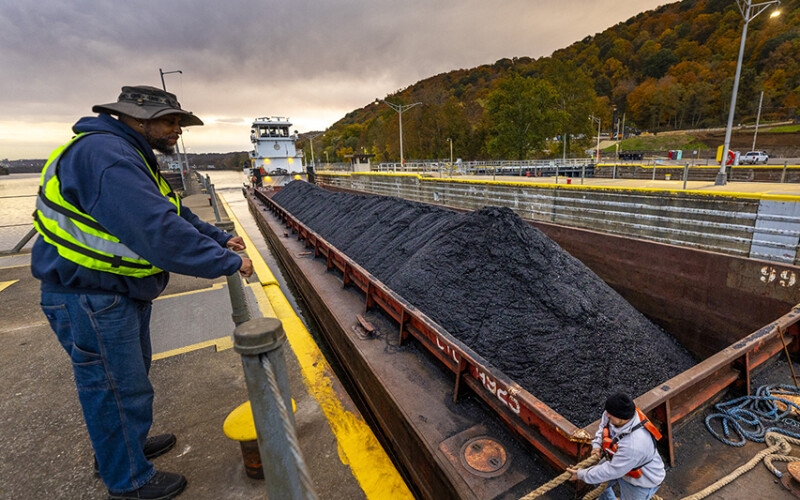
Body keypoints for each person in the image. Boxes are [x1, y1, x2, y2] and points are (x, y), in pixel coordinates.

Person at [32, 85, 254, 500]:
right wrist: (227, 262)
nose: (177, 131)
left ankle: (122, 448)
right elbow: (158, 231)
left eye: (179, 123)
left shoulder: (125, 154)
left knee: (126, 382)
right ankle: (128, 479)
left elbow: (173, 211)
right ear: (136, 119)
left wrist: (216, 239)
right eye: (170, 122)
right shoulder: (107, 157)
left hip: (110, 291)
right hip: (90, 295)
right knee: (115, 386)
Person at [568, 393, 665, 500]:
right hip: (618, 460)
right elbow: (603, 427)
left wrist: (581, 474)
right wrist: (596, 446)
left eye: (610, 414)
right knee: (598, 481)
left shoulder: (634, 444)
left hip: (641, 481)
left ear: (623, 419)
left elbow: (612, 470)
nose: (607, 415)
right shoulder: (613, 414)